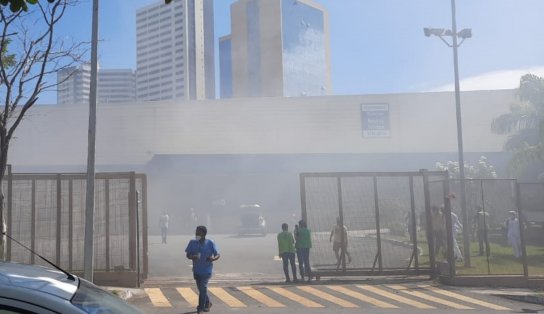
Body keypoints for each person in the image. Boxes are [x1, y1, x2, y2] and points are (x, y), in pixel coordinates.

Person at [185, 226, 220, 314]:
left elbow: (218, 254)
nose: (196, 234)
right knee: (201, 289)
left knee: (203, 287)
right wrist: (193, 256)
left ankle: (200, 308)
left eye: (198, 232)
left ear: (204, 234)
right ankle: (208, 303)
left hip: (206, 271)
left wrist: (213, 258)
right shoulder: (192, 242)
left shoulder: (210, 243)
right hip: (197, 271)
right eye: (196, 232)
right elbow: (188, 255)